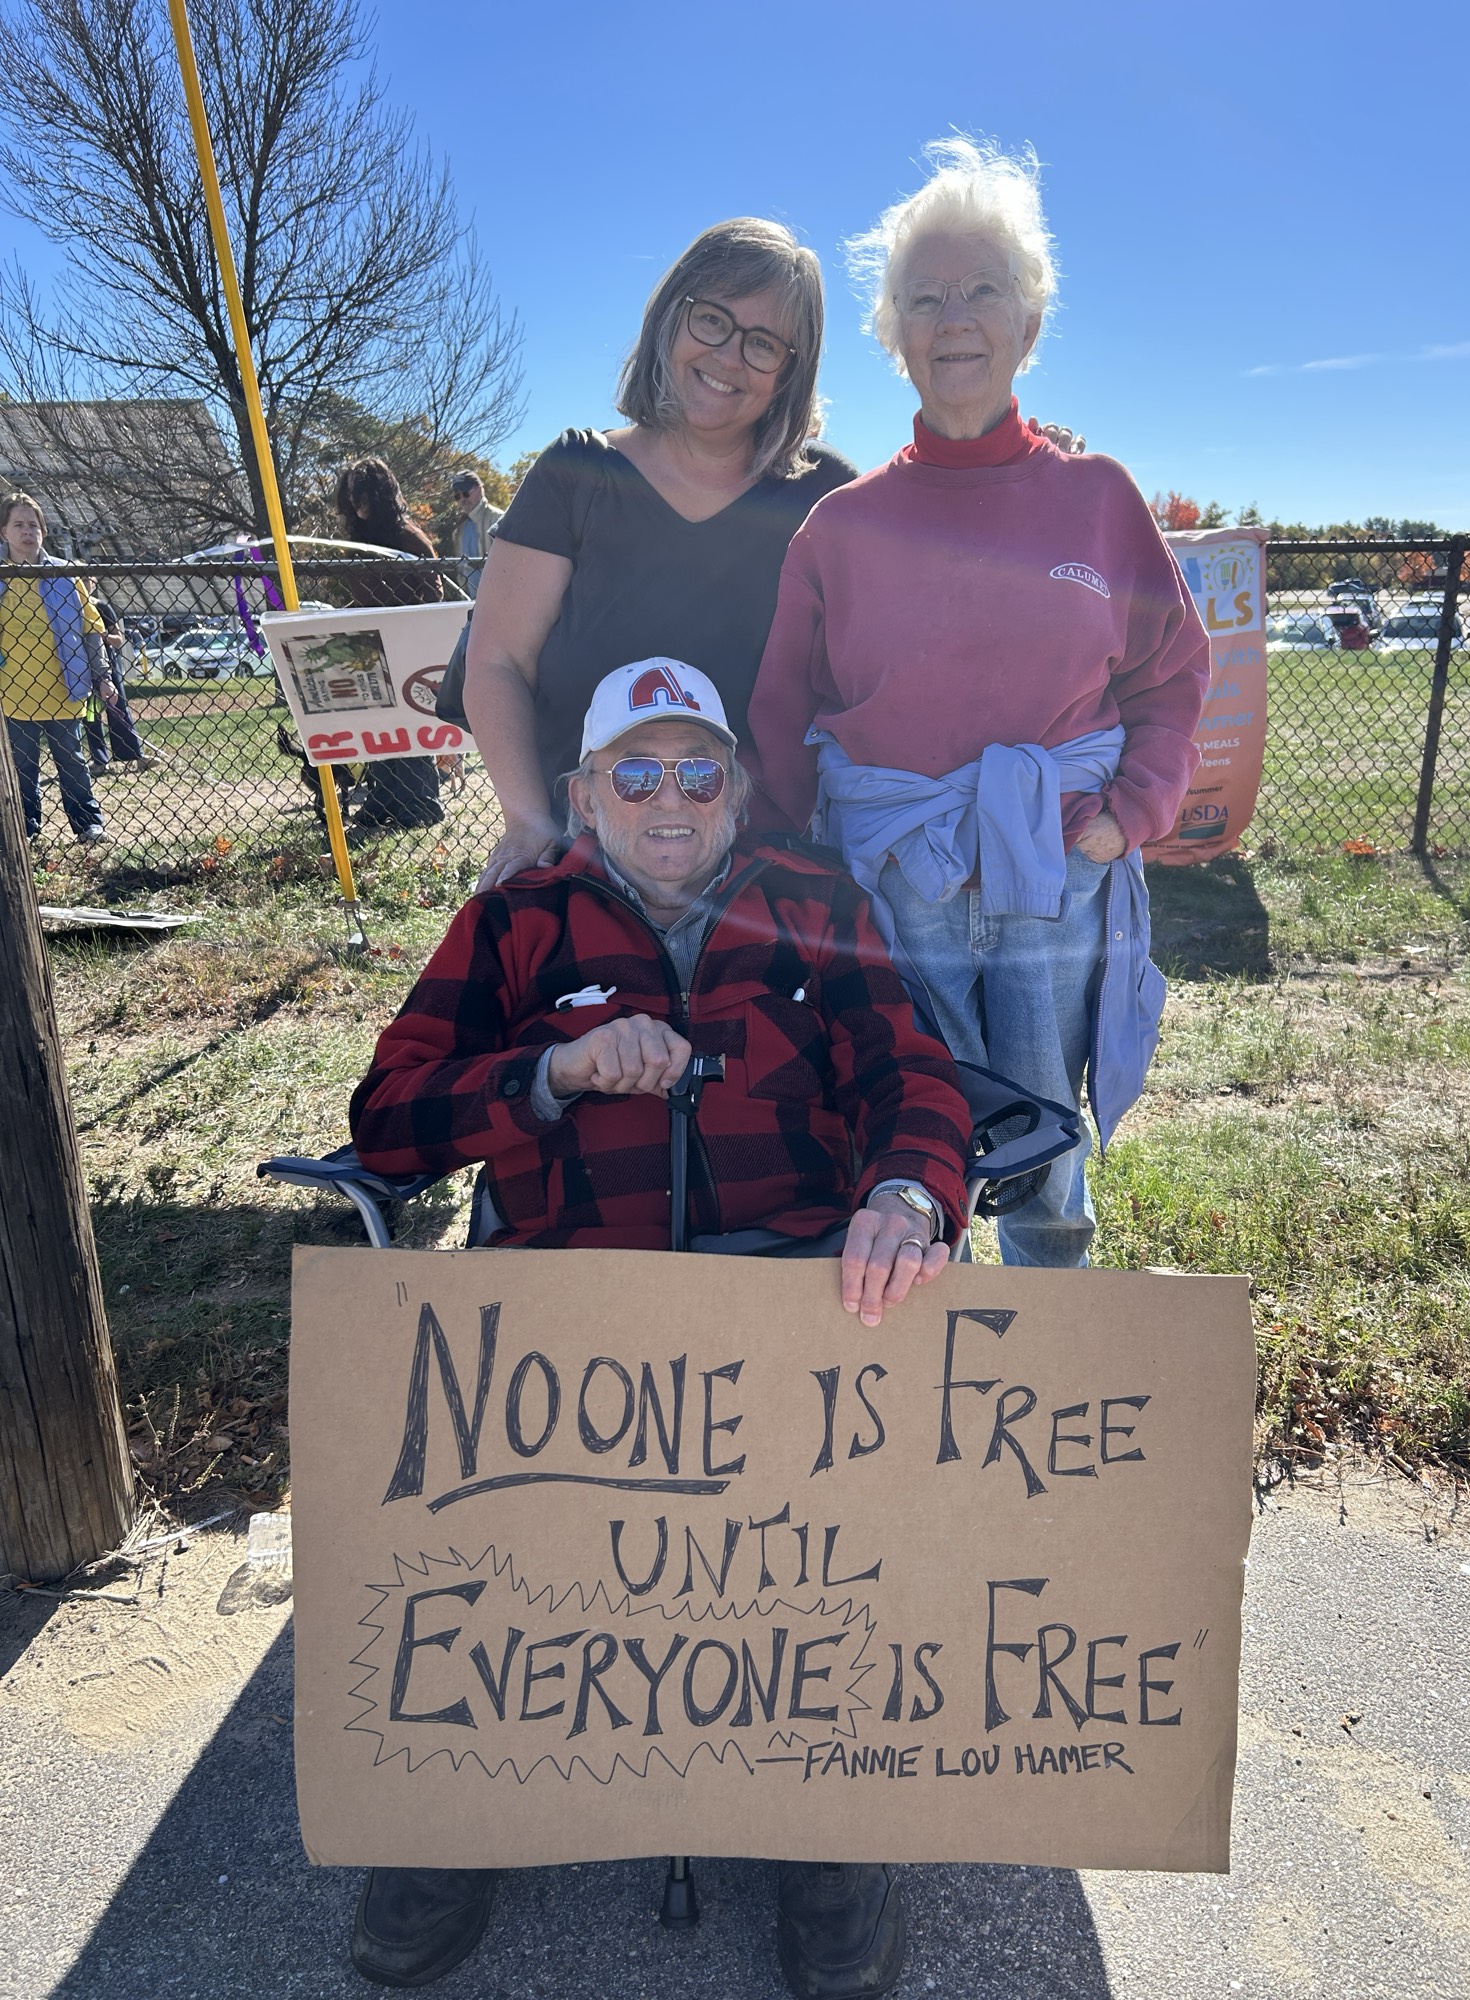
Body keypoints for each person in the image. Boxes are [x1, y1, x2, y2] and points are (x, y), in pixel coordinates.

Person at [349, 660, 971, 2000]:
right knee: (492, 1553)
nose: (670, 798)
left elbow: (911, 1069)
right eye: (636, 771)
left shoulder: (816, 901)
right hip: (567, 1313)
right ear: (582, 795)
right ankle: (465, 1792)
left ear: (740, 789)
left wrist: (910, 1192)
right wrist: (551, 1074)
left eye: (699, 769)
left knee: (815, 1565)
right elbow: (388, 1115)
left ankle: (826, 1821)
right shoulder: (516, 920)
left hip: (788, 1303)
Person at [750, 137, 1210, 1270]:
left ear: (1029, 323)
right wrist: (806, 866)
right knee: (914, 1131)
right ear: (895, 335)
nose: (954, 316)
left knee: (1048, 1151)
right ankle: (931, 1377)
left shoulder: (1098, 499)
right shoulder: (839, 527)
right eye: (925, 297)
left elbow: (1171, 667)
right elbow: (780, 709)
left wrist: (1133, 811)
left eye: (982, 290)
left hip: (1060, 861)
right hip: (894, 873)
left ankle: (1049, 1367)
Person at [463, 217, 858, 891]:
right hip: (590, 862)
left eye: (763, 343)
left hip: (768, 869)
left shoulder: (826, 498)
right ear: (671, 317)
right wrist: (530, 820)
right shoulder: (575, 473)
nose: (730, 356)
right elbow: (497, 659)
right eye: (712, 320)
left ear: (792, 371)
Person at [333, 456, 446, 829]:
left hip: (409, 644)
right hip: (370, 646)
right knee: (378, 725)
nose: (358, 503)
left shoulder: (408, 537)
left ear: (381, 494)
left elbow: (434, 594)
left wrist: (407, 621)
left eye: (364, 494)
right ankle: (384, 797)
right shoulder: (359, 542)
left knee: (409, 724)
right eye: (352, 496)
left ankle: (421, 802)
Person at [0, 492, 109, 842]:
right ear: (4, 532)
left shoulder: (66, 574)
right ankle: (27, 828)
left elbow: (92, 629)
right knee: (22, 768)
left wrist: (102, 676)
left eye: (34, 525)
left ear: (43, 532)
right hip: (13, 694)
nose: (27, 531)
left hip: (65, 688)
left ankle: (88, 824)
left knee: (72, 762)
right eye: (18, 524)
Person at [81, 576, 149, 772]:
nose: (84, 583)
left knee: (117, 708)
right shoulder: (70, 607)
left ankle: (132, 753)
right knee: (92, 715)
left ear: (94, 583)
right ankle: (100, 759)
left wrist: (100, 636)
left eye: (87, 579)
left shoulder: (102, 607)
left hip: (107, 667)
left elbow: (118, 639)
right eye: (79, 579)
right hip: (84, 669)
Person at [449, 469, 503, 595]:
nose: (462, 499)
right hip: (470, 602)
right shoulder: (458, 530)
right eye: (457, 496)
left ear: (479, 489)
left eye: (466, 493)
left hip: (499, 597)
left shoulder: (498, 519)